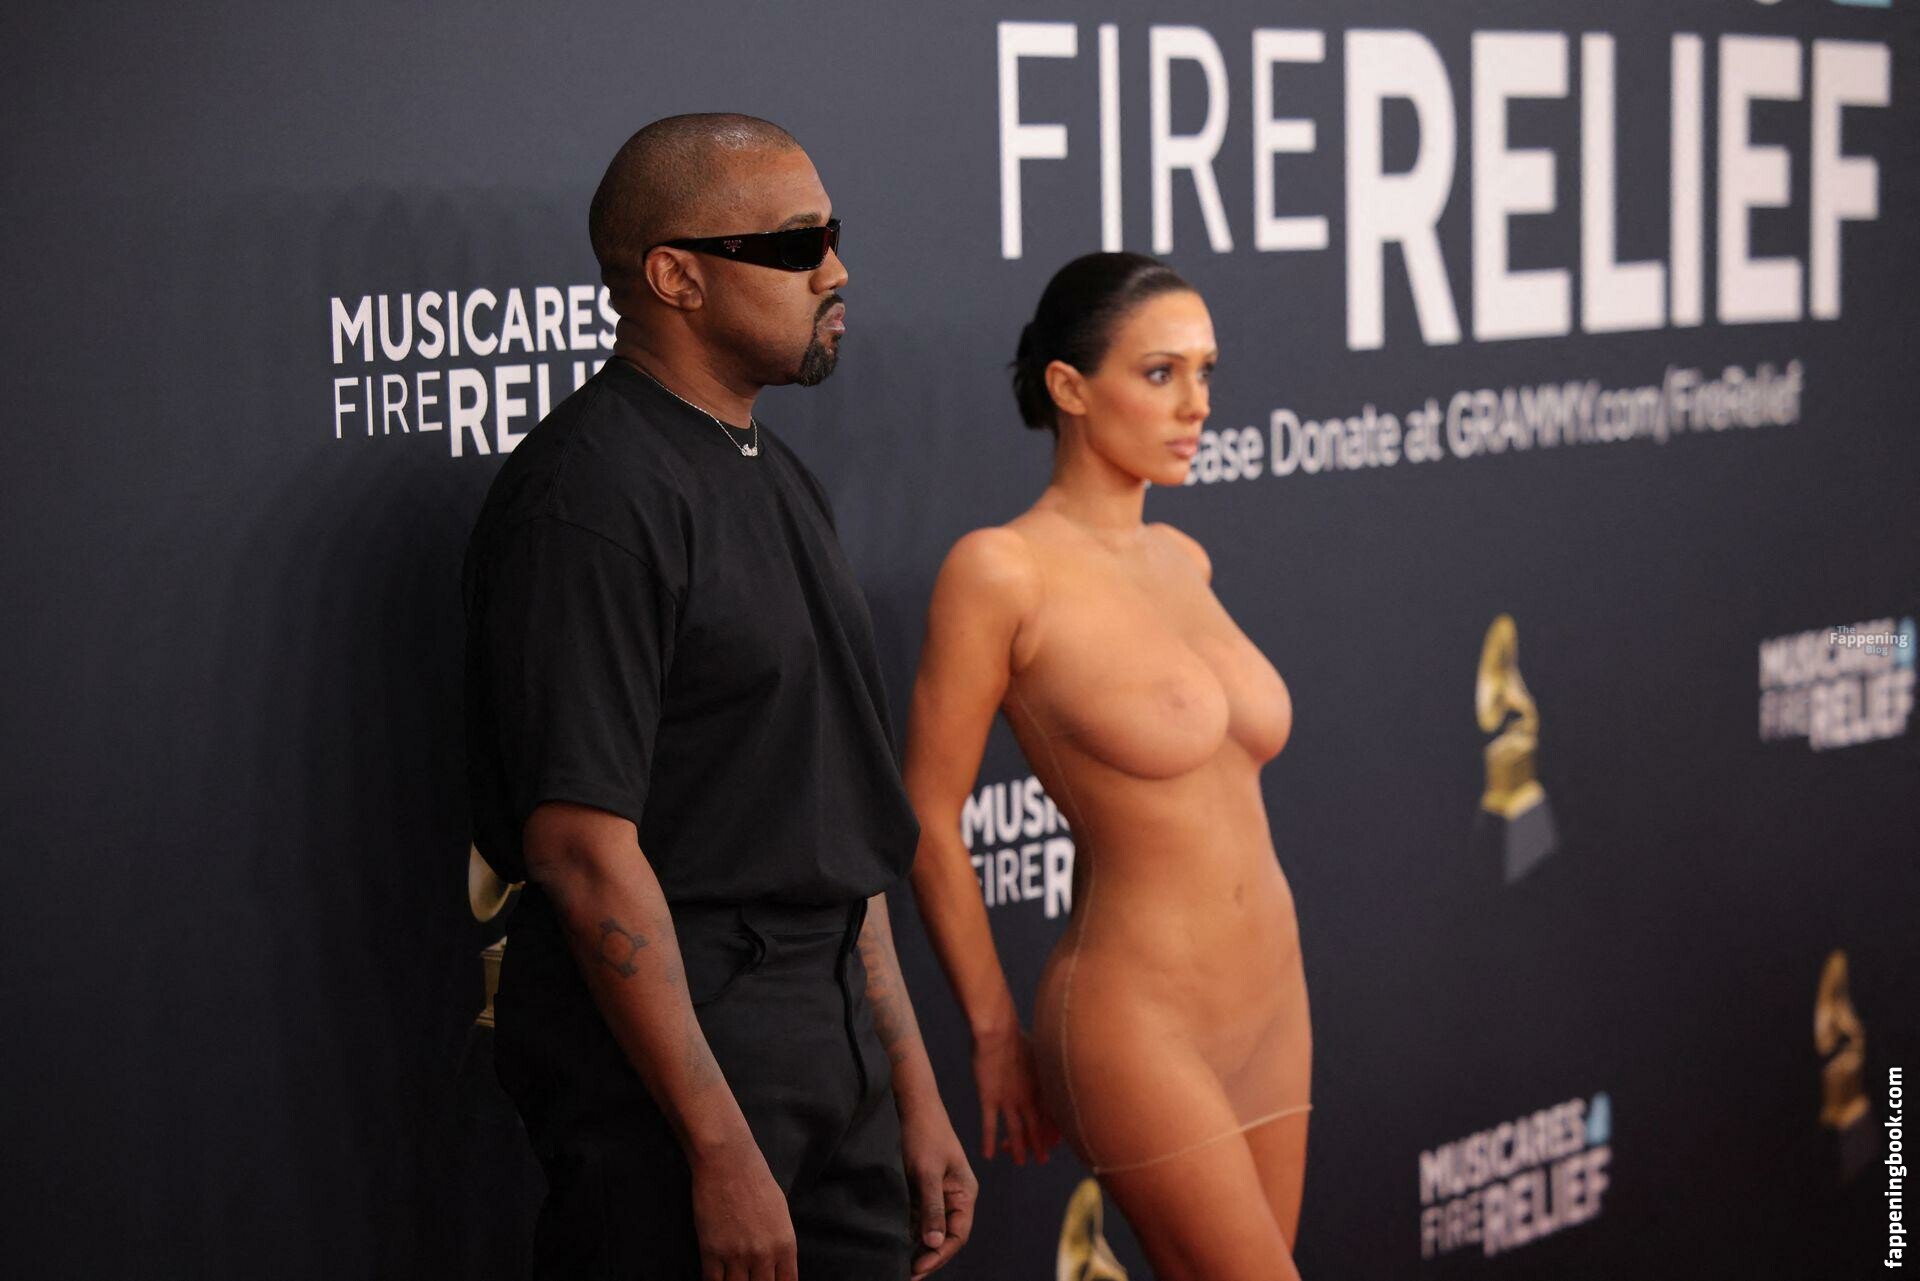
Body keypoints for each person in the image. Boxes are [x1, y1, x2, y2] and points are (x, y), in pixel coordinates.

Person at [463, 113, 974, 1281]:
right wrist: (717, 1145)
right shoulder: (589, 500)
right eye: (794, 246)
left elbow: (834, 833)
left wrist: (908, 1087)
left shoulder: (778, 475)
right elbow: (583, 852)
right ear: (675, 277)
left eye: (832, 236)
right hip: (678, 1056)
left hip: (827, 1035)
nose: (835, 272)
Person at [903, 253, 1310, 1280]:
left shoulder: (1183, 559)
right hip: (1138, 1021)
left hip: (1274, 1003)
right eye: (1160, 373)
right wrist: (993, 1031)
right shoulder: (1001, 571)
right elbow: (927, 814)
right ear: (1070, 388)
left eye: (1206, 372)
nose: (1197, 404)